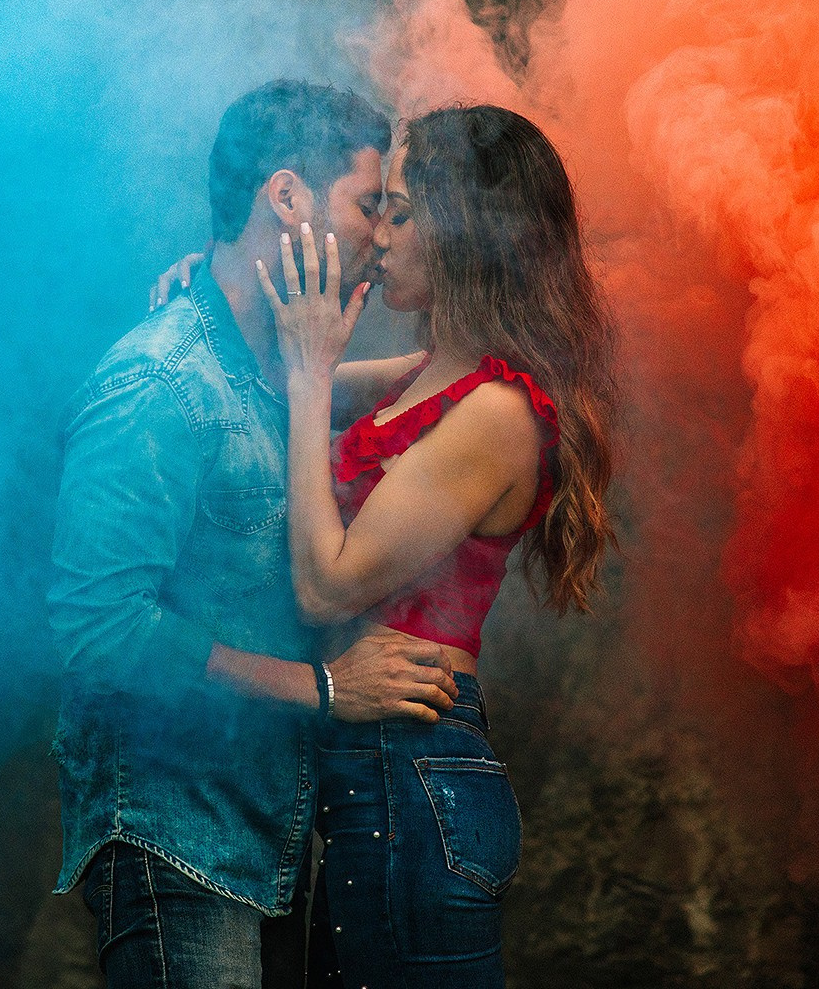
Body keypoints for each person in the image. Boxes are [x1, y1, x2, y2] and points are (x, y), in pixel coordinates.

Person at [50, 79, 463, 989]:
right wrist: (322, 687)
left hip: (265, 845)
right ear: (286, 197)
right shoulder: (156, 385)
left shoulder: (271, 367)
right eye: (367, 206)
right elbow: (99, 631)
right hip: (175, 844)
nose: (379, 235)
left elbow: (386, 387)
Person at [255, 104, 618, 988]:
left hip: (412, 775)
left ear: (466, 231)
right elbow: (259, 385)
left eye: (404, 212)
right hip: (380, 773)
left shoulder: (494, 412)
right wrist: (219, 283)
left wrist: (308, 378)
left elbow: (326, 586)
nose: (380, 234)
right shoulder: (432, 377)